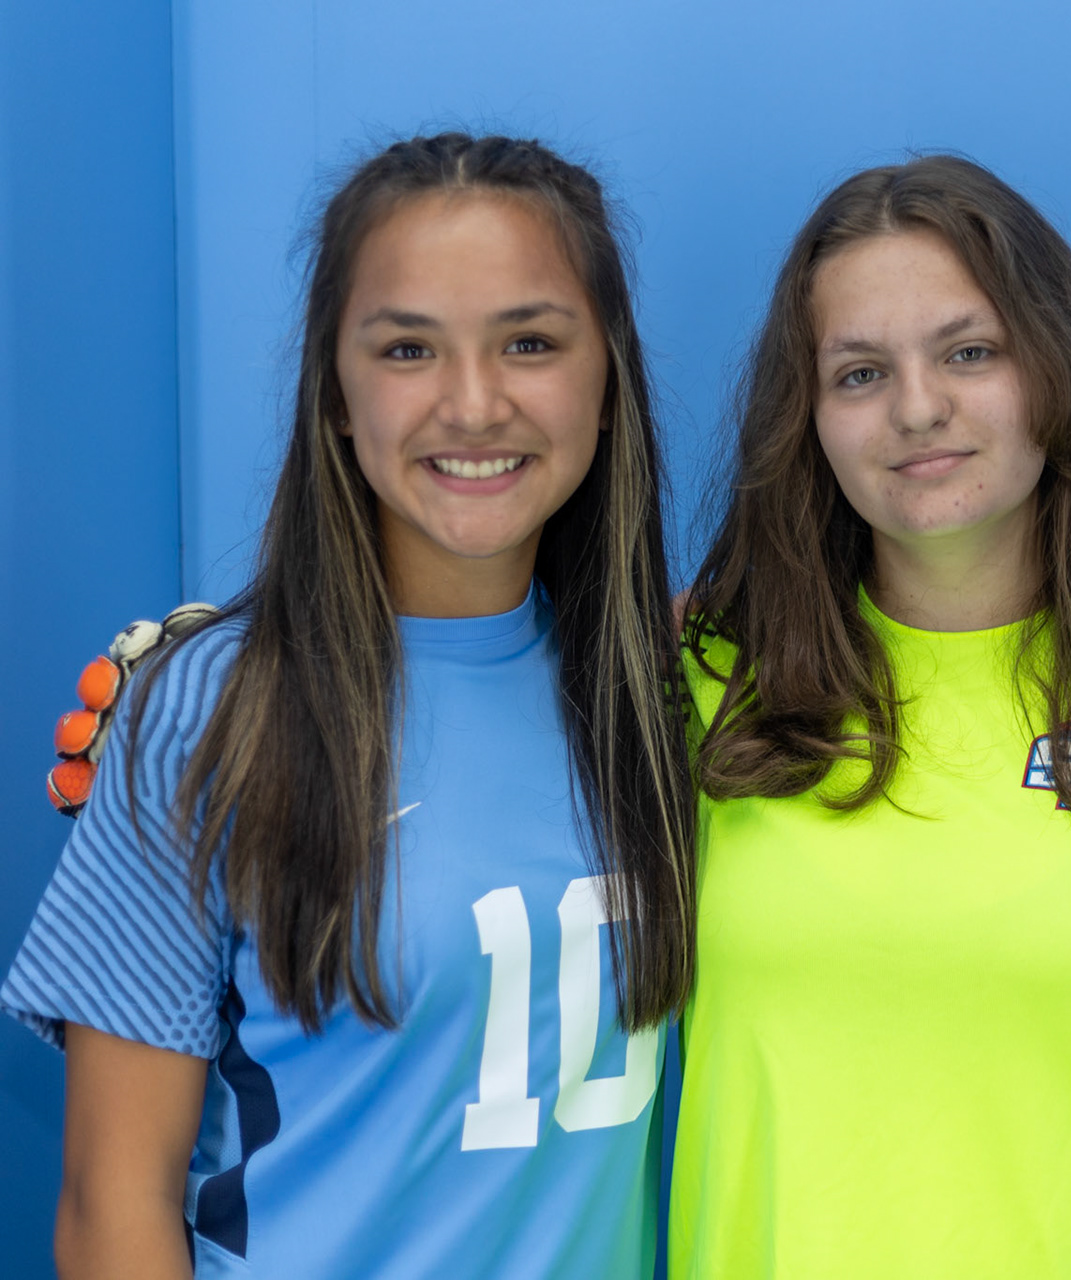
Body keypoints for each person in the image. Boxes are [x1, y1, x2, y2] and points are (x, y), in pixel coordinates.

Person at [2, 133, 695, 1277]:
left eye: (529, 341)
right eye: (408, 347)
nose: (473, 403)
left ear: (608, 376)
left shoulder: (665, 692)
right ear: (333, 388)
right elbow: (107, 1205)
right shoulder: (208, 711)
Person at [668, 154, 1071, 1278]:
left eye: (970, 352)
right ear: (810, 417)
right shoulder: (701, 690)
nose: (919, 406)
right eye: (861, 371)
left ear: (1055, 371)